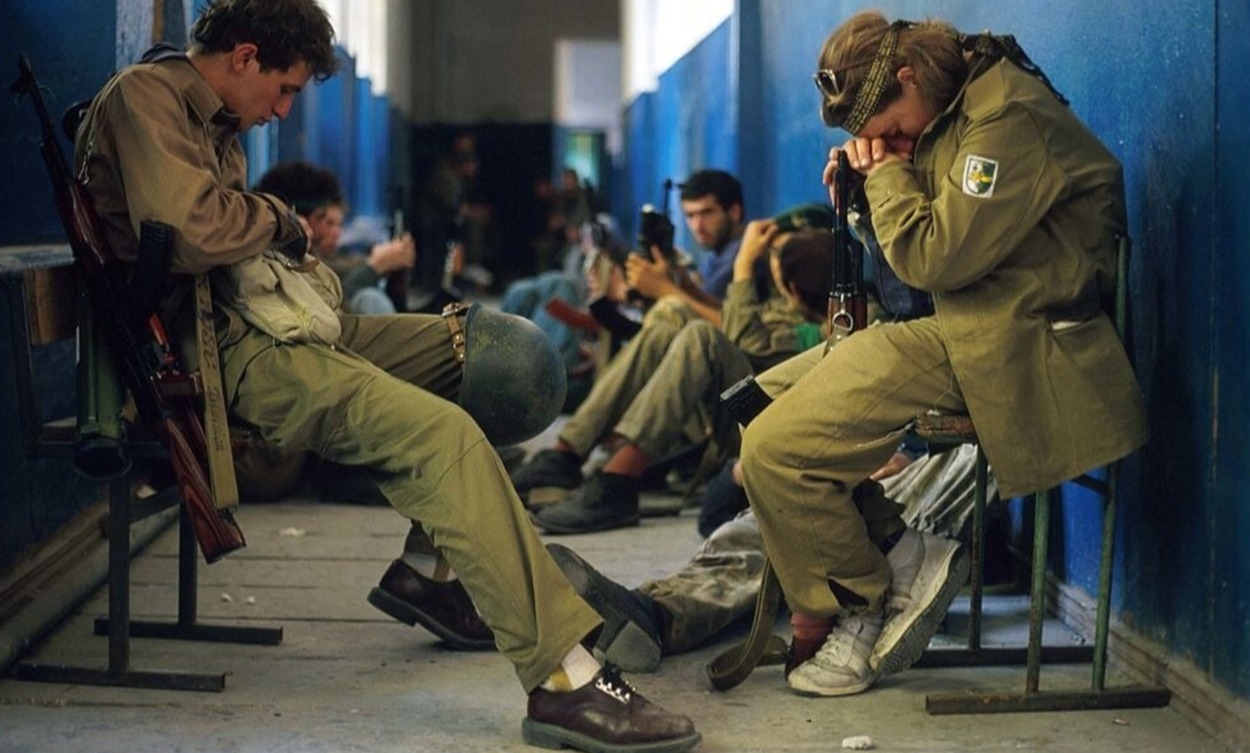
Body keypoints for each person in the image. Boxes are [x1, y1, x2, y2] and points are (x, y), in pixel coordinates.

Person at [72, 2, 701, 751]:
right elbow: (193, 232)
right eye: (284, 90)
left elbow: (220, 231)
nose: (281, 110)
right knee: (444, 438)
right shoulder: (145, 99)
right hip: (225, 354)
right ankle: (564, 679)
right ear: (243, 56)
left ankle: (426, 569)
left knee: (508, 360)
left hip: (277, 321)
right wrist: (275, 215)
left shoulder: (218, 124)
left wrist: (263, 223)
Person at [734, 10, 1148, 699]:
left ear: (906, 75)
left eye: (891, 129)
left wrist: (889, 175)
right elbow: (917, 250)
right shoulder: (952, 104)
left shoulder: (1007, 114)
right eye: (880, 141)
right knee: (755, 408)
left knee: (778, 451)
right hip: (964, 324)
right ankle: (901, 551)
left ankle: (864, 601)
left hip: (1018, 340)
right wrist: (868, 187)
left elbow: (932, 255)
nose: (892, 143)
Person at [545, 443, 990, 674]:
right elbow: (716, 510)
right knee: (757, 522)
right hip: (845, 467)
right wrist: (756, 465)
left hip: (910, 477)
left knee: (779, 525)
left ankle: (656, 617)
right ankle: (651, 612)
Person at [528, 208, 838, 535]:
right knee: (666, 326)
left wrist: (743, 265)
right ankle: (566, 454)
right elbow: (732, 320)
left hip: (763, 430)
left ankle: (616, 481)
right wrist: (682, 286)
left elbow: (744, 338)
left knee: (698, 337)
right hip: (738, 411)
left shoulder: (832, 320)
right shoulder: (792, 304)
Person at [507, 169, 749, 506]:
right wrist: (668, 286)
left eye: (707, 213)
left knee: (672, 317)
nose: (697, 225)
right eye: (691, 215)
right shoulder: (720, 258)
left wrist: (664, 291)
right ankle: (568, 455)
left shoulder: (746, 255)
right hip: (712, 388)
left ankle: (598, 468)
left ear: (734, 211)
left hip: (735, 395)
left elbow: (733, 327)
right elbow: (708, 308)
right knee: (663, 314)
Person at [253, 160, 415, 315]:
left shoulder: (318, 258)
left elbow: (336, 268)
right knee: (370, 300)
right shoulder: (275, 263)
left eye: (338, 224)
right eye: (329, 223)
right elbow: (328, 300)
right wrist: (375, 267)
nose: (336, 233)